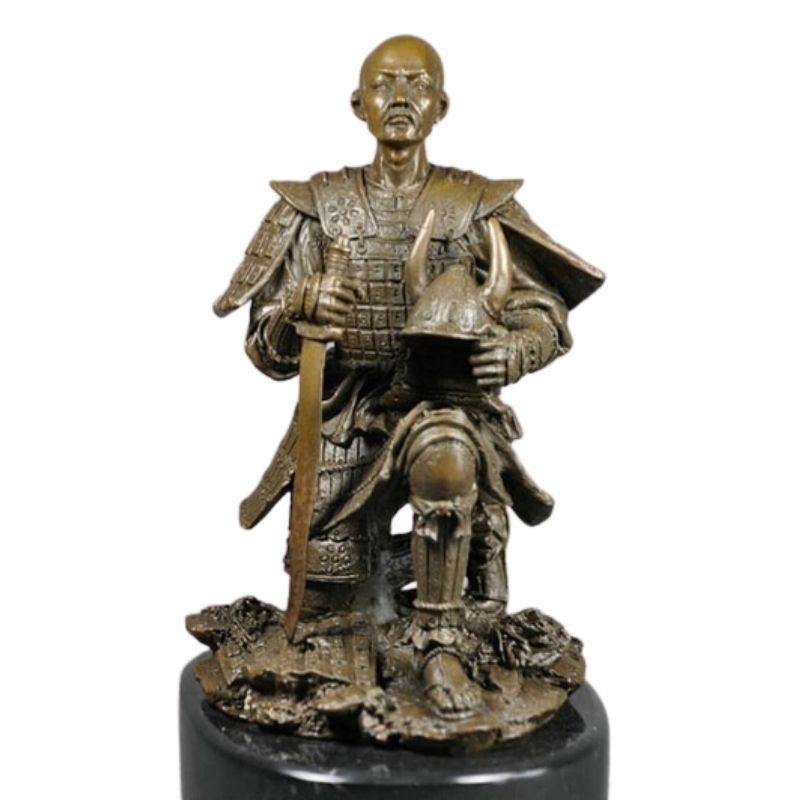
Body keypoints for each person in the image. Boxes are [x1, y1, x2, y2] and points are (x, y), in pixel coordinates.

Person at [213, 35, 604, 714]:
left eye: (417, 85)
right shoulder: (315, 209)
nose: (400, 98)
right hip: (344, 417)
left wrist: (516, 349)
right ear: (358, 104)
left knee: (446, 456)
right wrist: (300, 306)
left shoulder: (475, 207)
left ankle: (442, 642)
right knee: (330, 600)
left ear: (441, 105)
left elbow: (545, 314)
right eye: (385, 84)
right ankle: (407, 588)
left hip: (441, 404)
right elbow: (266, 348)